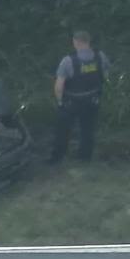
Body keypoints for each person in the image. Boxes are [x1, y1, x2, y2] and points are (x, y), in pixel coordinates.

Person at [51, 30, 110, 164]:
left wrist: (60, 102)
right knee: (88, 130)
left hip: (71, 101)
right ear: (89, 41)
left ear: (75, 42)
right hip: (92, 100)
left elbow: (59, 86)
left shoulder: (68, 61)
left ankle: (57, 159)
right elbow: (105, 76)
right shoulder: (100, 56)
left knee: (62, 131)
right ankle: (85, 158)